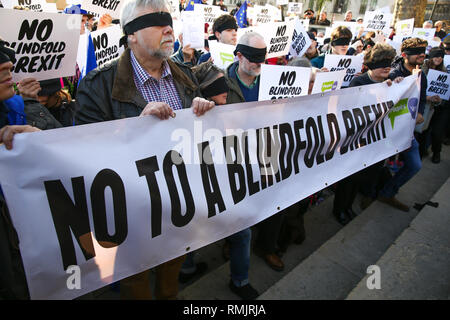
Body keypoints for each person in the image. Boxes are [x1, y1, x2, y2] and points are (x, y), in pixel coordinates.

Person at [75, 0, 215, 300]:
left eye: (169, 21)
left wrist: (204, 113)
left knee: (170, 274)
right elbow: (85, 156)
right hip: (131, 209)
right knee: (135, 282)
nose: (168, 28)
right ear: (132, 35)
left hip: (177, 201)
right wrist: (135, 129)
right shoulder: (96, 85)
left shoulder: (186, 76)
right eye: (156, 21)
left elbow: (200, 139)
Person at [188, 62, 259, 300]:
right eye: (219, 86)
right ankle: (186, 268)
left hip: (226, 186)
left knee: (242, 233)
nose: (226, 90)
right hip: (196, 190)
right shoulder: (188, 115)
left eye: (226, 84)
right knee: (187, 235)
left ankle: (240, 281)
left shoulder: (231, 111)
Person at [0, 39, 62, 299]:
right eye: (2, 69)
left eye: (8, 66)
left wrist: (28, 104)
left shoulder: (14, 107)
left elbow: (60, 146)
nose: (9, 68)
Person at [331, 43, 403, 224]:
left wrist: (397, 87)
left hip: (374, 141)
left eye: (390, 63)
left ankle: (348, 207)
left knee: (362, 176)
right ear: (372, 64)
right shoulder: (359, 83)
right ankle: (339, 209)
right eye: (383, 63)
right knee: (349, 178)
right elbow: (345, 110)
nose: (387, 67)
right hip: (354, 141)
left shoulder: (391, 82)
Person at [376, 38, 428, 212]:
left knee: (415, 165)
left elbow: (421, 98)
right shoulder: (393, 74)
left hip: (407, 132)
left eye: (423, 51)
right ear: (405, 55)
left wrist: (420, 112)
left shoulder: (422, 75)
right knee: (378, 164)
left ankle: (387, 192)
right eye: (417, 52)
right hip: (389, 132)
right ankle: (370, 194)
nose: (422, 54)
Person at [419, 47, 448, 163]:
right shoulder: (422, 69)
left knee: (437, 131)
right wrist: (428, 98)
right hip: (424, 105)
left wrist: (439, 100)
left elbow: (444, 91)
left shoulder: (444, 71)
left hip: (439, 108)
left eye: (441, 57)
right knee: (422, 131)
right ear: (431, 57)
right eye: (436, 56)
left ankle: (436, 152)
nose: (439, 59)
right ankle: (421, 152)